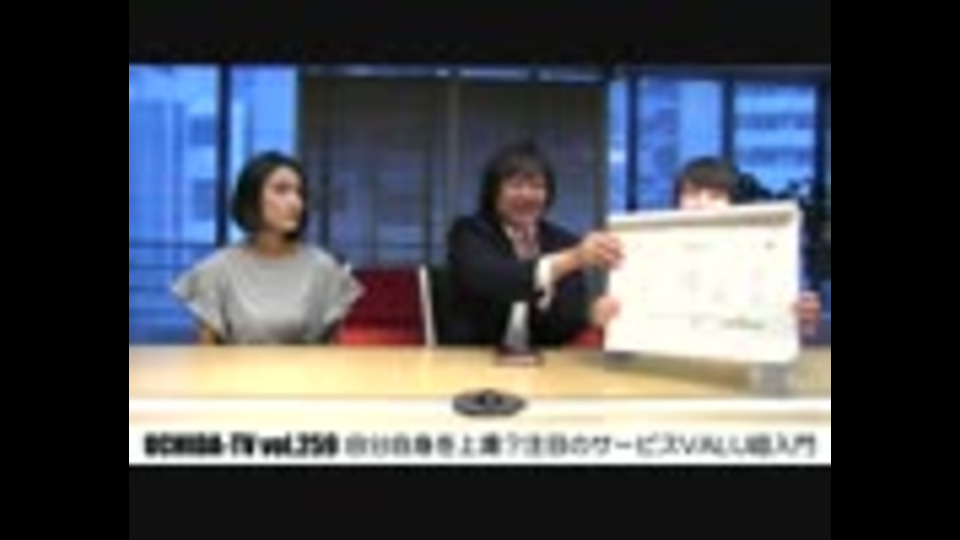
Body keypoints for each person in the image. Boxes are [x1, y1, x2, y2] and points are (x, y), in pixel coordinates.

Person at [171, 151, 363, 345]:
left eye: (299, 193)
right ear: (251, 198)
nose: (295, 202)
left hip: (307, 366)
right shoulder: (215, 270)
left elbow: (333, 353)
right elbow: (206, 355)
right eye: (281, 190)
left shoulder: (324, 268)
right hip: (237, 366)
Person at [445, 140, 623, 347]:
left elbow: (562, 326)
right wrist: (572, 259)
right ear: (494, 192)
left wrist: (589, 317)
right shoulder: (469, 232)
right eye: (516, 185)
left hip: (540, 360)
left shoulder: (563, 242)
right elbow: (498, 280)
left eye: (537, 186)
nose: (527, 195)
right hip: (473, 356)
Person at [668, 156, 822, 334]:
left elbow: (791, 325)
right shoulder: (656, 251)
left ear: (734, 203)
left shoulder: (766, 251)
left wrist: (802, 317)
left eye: (716, 196)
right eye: (692, 194)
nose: (702, 204)